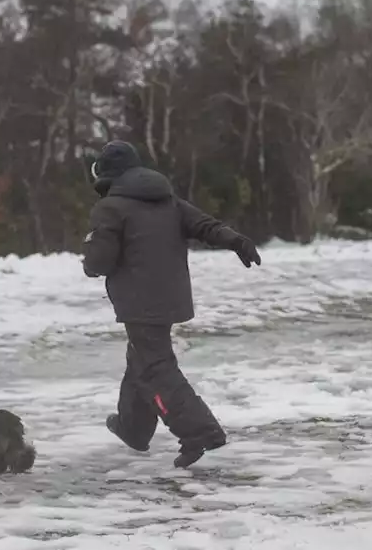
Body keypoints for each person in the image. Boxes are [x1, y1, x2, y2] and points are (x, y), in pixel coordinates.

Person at [82, 141, 261, 468]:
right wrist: (237, 240)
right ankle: (133, 428)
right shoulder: (169, 201)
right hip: (171, 296)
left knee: (155, 367)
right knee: (141, 360)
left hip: (139, 302)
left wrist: (90, 257)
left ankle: (200, 432)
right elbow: (206, 225)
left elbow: (99, 263)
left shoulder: (110, 208)